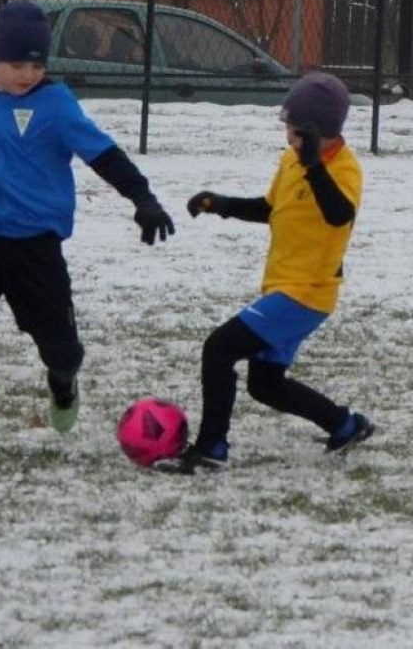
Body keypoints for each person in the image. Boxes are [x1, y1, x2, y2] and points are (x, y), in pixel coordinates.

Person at [0, 0, 176, 470]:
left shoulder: (56, 104)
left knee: (62, 349)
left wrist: (142, 199)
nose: (27, 74)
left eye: (36, 64)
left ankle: (63, 383)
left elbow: (102, 154)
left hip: (36, 248)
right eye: (16, 64)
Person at [155, 71, 374, 474]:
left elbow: (339, 215)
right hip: (283, 286)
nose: (286, 134)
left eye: (292, 128)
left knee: (219, 348)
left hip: (307, 292)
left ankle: (210, 449)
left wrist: (314, 167)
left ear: (312, 131)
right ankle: (346, 425)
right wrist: (220, 204)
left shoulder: (344, 168)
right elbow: (270, 209)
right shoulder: (291, 161)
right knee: (266, 384)